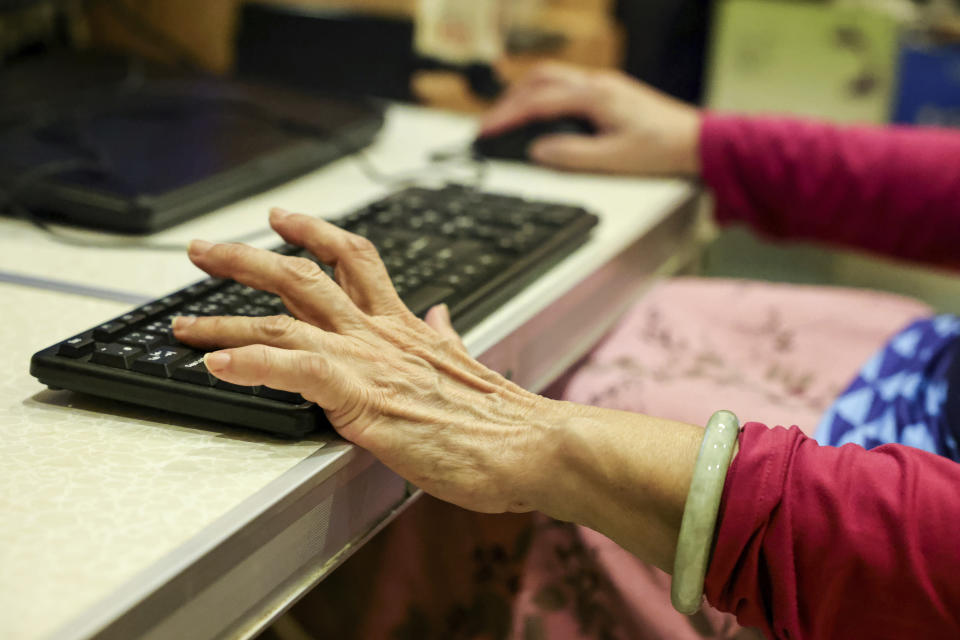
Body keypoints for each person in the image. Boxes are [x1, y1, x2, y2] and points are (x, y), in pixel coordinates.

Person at [173, 63, 960, 639]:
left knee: (429, 497)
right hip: (913, 374)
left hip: (885, 561)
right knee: (561, 345)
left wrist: (538, 443)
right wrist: (713, 146)